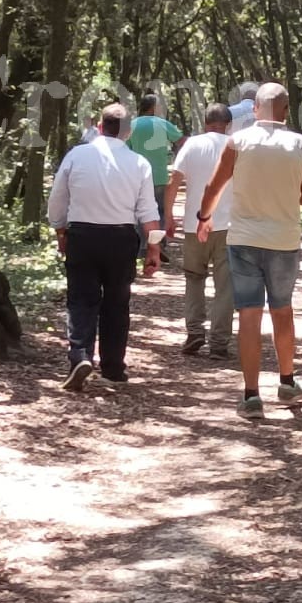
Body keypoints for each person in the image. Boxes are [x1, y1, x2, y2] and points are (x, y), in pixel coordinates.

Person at [197, 82, 302, 419]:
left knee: (249, 315)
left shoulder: (238, 141)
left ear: (254, 110)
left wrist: (204, 217)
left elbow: (214, 186)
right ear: (285, 110)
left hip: (244, 241)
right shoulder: (299, 143)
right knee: (282, 311)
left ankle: (251, 396)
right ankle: (287, 382)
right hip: (283, 241)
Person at [49, 102, 161, 389]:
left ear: (100, 127)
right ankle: (113, 367)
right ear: (128, 133)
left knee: (81, 300)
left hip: (82, 235)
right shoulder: (139, 163)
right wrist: (153, 250)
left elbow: (58, 199)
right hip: (121, 239)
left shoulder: (77, 155)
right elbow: (148, 213)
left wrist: (61, 230)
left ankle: (80, 356)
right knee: (117, 303)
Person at [163, 104, 235, 359]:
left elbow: (174, 181)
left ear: (205, 123)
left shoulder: (192, 145)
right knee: (225, 286)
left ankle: (194, 331)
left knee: (194, 278)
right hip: (229, 227)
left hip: (195, 225)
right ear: (228, 124)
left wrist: (168, 214)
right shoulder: (237, 145)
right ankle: (219, 342)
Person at [127, 93, 183, 258]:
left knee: (139, 212)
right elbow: (181, 141)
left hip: (136, 177)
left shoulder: (132, 125)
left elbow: (125, 148)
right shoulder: (162, 124)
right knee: (159, 211)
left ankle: (142, 248)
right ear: (152, 108)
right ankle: (160, 247)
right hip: (158, 176)